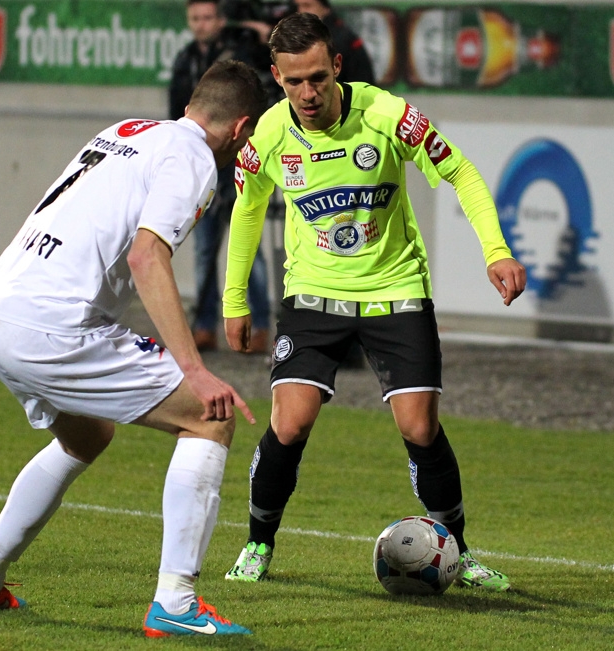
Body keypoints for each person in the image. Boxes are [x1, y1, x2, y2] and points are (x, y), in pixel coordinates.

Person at [0, 60, 268, 637]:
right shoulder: (194, 159)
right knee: (208, 419)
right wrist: (195, 370)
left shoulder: (126, 131)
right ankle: (176, 601)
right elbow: (147, 256)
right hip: (54, 327)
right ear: (242, 129)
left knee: (86, 434)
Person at [220, 13, 526, 591]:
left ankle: (457, 554)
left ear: (336, 67)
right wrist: (236, 300)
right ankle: (258, 543)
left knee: (420, 428)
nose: (307, 94)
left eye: (316, 78)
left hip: (395, 290)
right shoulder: (266, 136)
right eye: (293, 82)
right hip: (314, 294)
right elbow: (246, 211)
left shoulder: (388, 116)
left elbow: (459, 170)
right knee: (289, 424)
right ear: (276, 78)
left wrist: (496, 250)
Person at [170, 0, 272, 353]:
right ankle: (204, 325)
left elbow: (259, 100)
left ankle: (259, 324)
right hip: (202, 165)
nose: (201, 24)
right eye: (195, 18)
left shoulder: (241, 57)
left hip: (239, 159)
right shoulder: (185, 60)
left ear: (221, 20)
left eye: (207, 17)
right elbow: (176, 113)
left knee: (249, 250)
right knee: (203, 249)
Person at [294, 0, 375, 84]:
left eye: (307, 6)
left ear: (325, 8)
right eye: (298, 6)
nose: (301, 11)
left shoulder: (338, 38)